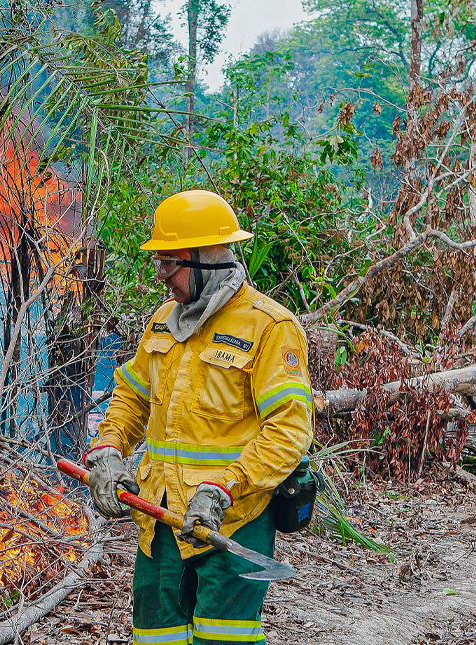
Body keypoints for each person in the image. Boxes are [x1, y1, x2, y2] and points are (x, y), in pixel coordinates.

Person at [84, 190, 314, 645]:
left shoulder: (269, 327)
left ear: (208, 260)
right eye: (158, 263)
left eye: (169, 264)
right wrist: (107, 450)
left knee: (223, 640)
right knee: (156, 639)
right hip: (161, 520)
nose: (162, 277)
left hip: (232, 519)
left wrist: (224, 488)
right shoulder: (162, 322)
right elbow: (131, 397)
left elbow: (289, 430)